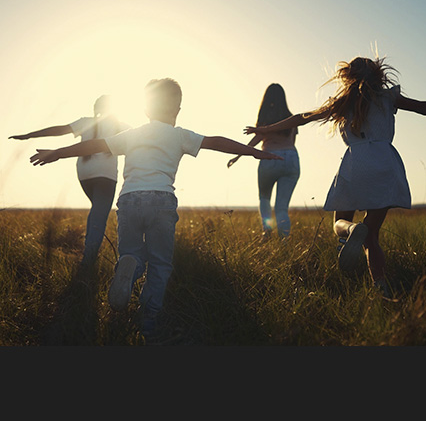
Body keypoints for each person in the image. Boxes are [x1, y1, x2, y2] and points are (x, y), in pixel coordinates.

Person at [30, 77, 283, 341]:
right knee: (161, 264)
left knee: (131, 252)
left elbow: (95, 145)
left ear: (146, 109)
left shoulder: (132, 134)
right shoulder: (180, 135)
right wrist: (252, 152)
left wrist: (58, 152)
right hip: (162, 201)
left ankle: (129, 266)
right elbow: (215, 141)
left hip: (128, 201)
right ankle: (148, 319)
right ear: (177, 110)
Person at [244, 57, 426, 296]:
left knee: (339, 224)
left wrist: (264, 129)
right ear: (377, 74)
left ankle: (353, 229)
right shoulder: (388, 97)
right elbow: (424, 107)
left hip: (356, 163)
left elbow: (302, 118)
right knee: (371, 235)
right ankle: (381, 287)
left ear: (348, 77)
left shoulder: (341, 102)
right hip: (385, 161)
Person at [9, 95, 129, 267]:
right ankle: (88, 262)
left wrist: (29, 135)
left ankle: (88, 252)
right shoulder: (121, 126)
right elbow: (140, 137)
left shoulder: (85, 122)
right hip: (105, 175)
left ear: (96, 108)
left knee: (96, 211)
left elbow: (58, 130)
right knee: (99, 215)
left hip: (84, 175)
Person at [227, 83, 300, 239]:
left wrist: (237, 156)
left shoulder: (266, 119)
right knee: (282, 208)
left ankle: (266, 234)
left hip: (270, 157)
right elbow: (292, 141)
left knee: (264, 199)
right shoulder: (291, 118)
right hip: (291, 158)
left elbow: (256, 139)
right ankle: (284, 243)